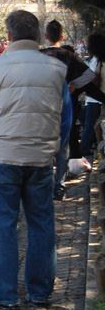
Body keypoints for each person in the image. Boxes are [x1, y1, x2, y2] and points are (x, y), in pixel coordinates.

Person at [0, 10, 72, 309]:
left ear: (8, 37)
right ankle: (40, 291)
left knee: (0, 225)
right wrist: (54, 149)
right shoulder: (56, 70)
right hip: (41, 158)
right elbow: (66, 118)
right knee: (42, 223)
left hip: (2, 156)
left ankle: (3, 295)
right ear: (39, 35)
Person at [41, 21, 105, 200]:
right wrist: (73, 85)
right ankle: (59, 185)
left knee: (44, 147)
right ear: (62, 37)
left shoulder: (39, 55)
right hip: (66, 106)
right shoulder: (68, 55)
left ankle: (44, 183)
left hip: (43, 107)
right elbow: (90, 75)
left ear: (45, 37)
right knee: (63, 147)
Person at [81, 34, 105, 160]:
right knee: (86, 121)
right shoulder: (97, 59)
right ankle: (92, 142)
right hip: (93, 98)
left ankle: (84, 149)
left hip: (96, 99)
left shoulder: (99, 60)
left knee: (90, 124)